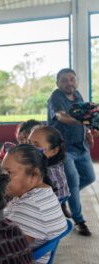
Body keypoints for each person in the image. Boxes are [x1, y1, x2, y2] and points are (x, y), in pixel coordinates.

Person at [47, 68, 96, 236]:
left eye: (72, 79)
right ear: (58, 83)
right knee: (73, 182)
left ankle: (63, 198)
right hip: (63, 148)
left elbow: (85, 116)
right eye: (64, 80)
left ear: (76, 81)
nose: (69, 83)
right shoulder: (56, 97)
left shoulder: (78, 96)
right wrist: (84, 120)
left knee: (90, 177)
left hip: (81, 146)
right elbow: (61, 116)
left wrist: (88, 131)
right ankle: (79, 221)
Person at [2, 144, 67, 264]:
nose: (2, 178)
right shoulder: (42, 193)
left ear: (34, 175)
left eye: (9, 173)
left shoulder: (31, 207)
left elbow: (4, 252)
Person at [28, 126, 71, 217]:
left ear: (54, 150)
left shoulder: (51, 173)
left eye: (36, 145)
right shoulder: (39, 163)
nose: (28, 148)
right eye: (28, 142)